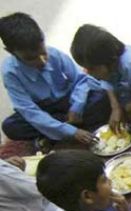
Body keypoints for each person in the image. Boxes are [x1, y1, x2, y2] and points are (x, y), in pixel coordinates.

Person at [0, 12, 110, 150]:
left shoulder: (54, 54)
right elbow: (29, 111)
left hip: (67, 100)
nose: (41, 61)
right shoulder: (10, 72)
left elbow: (81, 79)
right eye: (30, 58)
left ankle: (56, 131)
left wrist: (77, 106)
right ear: (11, 52)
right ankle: (69, 126)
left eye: (43, 53)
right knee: (11, 126)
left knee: (102, 94)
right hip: (43, 108)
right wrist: (71, 132)